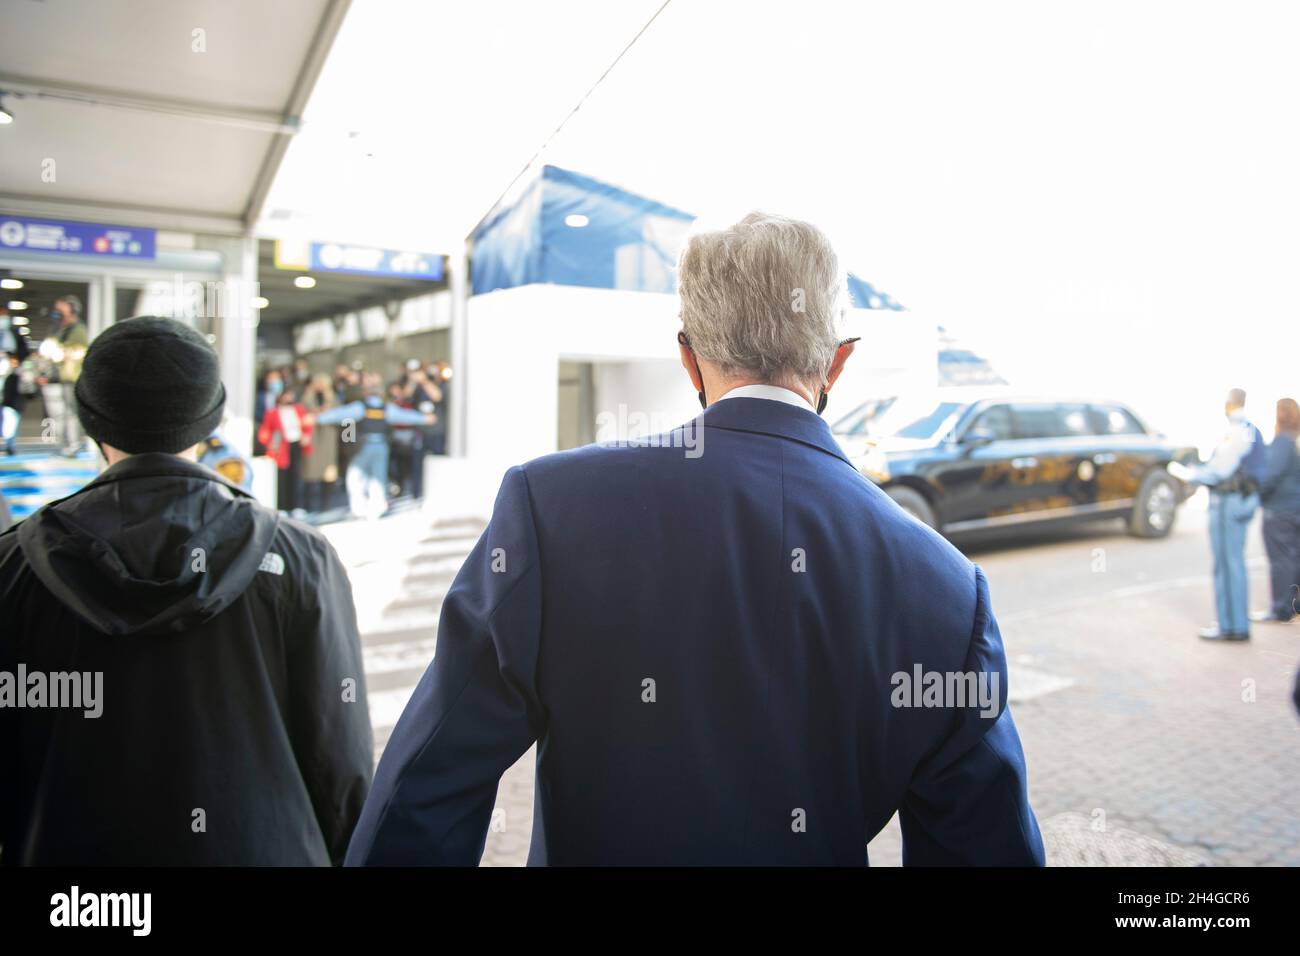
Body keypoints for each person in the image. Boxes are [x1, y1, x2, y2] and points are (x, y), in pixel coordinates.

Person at [345, 212, 1044, 866]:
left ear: (688, 356)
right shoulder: (947, 586)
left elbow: (428, 781)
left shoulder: (553, 508)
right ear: (837, 363)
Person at [0, 316, 372, 864]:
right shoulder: (299, 558)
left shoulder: (16, 564)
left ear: (89, 419)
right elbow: (339, 755)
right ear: (210, 419)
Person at [1189, 388, 1265, 641]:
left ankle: (1230, 626)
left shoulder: (1236, 430)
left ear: (1230, 404)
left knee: (1226, 564)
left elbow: (1220, 470)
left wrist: (1192, 475)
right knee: (1235, 564)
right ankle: (1237, 625)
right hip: (1241, 500)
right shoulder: (1251, 430)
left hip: (1227, 502)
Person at [314, 375, 433, 521]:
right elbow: (404, 416)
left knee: (356, 476)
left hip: (363, 446)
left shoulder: (360, 407)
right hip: (381, 446)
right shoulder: (386, 408)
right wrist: (424, 418)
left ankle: (359, 508)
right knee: (378, 476)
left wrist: (318, 418)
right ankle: (377, 506)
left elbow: (340, 415)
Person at [1251, 398, 1300, 624]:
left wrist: (1255, 494)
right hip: (1294, 509)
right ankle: (1292, 606)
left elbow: (1271, 475)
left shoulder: (1281, 442)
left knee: (1280, 561)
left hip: (1279, 511)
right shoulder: (1294, 441)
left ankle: (1281, 609)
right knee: (1293, 558)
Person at [35, 295, 89, 457]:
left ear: (71, 311)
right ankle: (64, 444)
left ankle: (73, 444)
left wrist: (60, 353)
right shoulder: (59, 331)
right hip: (56, 380)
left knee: (70, 413)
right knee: (58, 414)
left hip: (70, 379)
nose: (57, 313)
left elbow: (79, 352)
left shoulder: (78, 330)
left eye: (61, 310)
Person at [257, 388, 313, 515]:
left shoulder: (298, 409)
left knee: (296, 475)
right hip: (281, 447)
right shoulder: (273, 413)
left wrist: (306, 435)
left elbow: (307, 425)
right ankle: (282, 506)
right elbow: (265, 431)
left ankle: (295, 505)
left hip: (295, 445)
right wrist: (270, 442)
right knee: (282, 477)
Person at [300, 373, 340, 514]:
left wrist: (348, 439)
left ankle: (326, 503)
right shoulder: (307, 398)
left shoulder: (333, 399)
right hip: (312, 439)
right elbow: (301, 415)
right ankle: (308, 504)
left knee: (329, 473)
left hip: (329, 439)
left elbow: (343, 417)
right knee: (310, 471)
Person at [2, 352, 24, 456]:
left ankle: (10, 445)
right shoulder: (9, 375)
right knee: (10, 424)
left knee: (11, 424)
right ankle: (10, 445)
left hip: (12, 403)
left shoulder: (16, 375)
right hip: (10, 403)